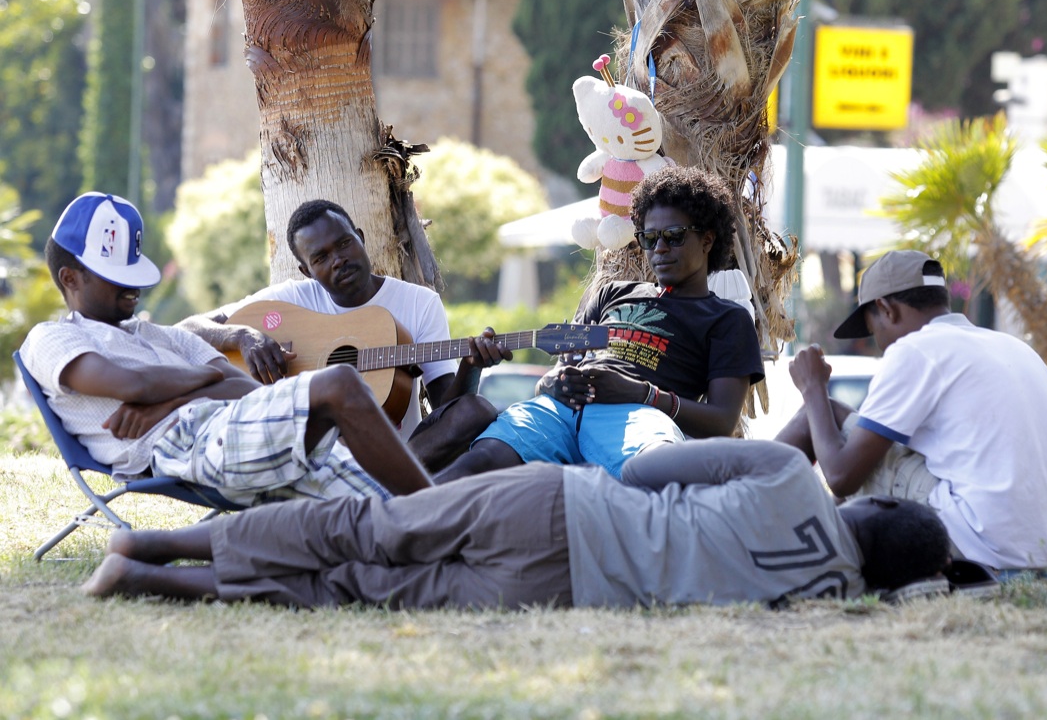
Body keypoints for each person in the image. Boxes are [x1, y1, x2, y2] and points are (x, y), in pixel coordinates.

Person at [80, 438, 951, 609]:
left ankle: (154, 541)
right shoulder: (832, 596)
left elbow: (646, 468)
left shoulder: (796, 476)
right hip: (557, 590)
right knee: (359, 587)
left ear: (870, 503)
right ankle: (152, 581)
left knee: (361, 528)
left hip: (560, 503)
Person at [20, 192, 433, 505]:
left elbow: (246, 388)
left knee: (382, 505)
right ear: (70, 278)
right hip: (184, 446)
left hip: (242, 426)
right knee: (340, 384)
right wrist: (204, 376)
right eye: (116, 275)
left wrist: (170, 398)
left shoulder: (157, 335)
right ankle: (434, 510)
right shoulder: (52, 338)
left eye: (134, 271)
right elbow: (131, 384)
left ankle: (442, 523)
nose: (134, 287)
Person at [434, 165, 765, 483]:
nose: (659, 249)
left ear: (707, 240)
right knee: (482, 460)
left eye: (674, 236)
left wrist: (642, 393)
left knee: (657, 470)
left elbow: (722, 420)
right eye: (649, 238)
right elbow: (560, 371)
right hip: (558, 412)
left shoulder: (727, 318)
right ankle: (393, 518)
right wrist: (550, 383)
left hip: (638, 416)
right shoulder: (611, 293)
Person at [776, 249, 1047, 574]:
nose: (881, 345)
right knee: (843, 423)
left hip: (983, 543)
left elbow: (841, 477)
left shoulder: (915, 350)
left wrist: (813, 389)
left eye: (874, 331)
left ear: (886, 309)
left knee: (813, 418)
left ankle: (737, 518)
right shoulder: (1013, 348)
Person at [177, 199, 509, 472]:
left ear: (361, 238)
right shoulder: (292, 299)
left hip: (397, 454)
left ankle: (378, 484)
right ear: (307, 271)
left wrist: (470, 366)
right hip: (307, 455)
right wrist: (243, 336)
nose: (338, 260)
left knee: (476, 410)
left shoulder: (418, 303)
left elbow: (445, 408)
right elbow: (186, 329)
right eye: (320, 257)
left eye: (344, 243)